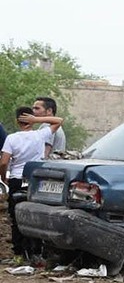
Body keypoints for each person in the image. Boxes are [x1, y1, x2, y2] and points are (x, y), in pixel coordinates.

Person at [1, 106, 64, 260]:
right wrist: (37, 120)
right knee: (35, 215)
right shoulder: (40, 135)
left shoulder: (12, 138)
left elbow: (3, 162)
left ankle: (19, 253)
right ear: (31, 120)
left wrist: (3, 177)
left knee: (16, 216)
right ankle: (36, 251)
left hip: (16, 179)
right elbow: (58, 121)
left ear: (17, 121)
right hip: (35, 181)